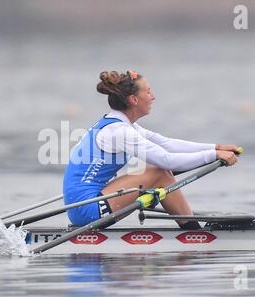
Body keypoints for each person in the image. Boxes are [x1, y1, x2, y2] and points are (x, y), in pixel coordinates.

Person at [63, 70, 239, 229]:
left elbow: (167, 144)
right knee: (159, 172)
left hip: (86, 204)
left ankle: (191, 229)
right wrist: (214, 155)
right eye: (148, 92)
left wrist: (216, 147)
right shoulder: (119, 131)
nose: (153, 96)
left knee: (160, 172)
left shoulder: (121, 125)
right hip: (87, 209)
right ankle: (194, 233)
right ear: (134, 100)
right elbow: (167, 160)